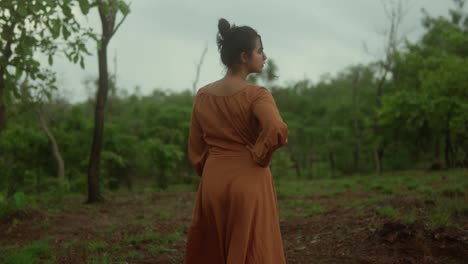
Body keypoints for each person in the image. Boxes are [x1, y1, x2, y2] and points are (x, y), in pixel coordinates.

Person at [184, 18, 288, 264]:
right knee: (252, 249)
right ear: (244, 57)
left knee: (214, 249)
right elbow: (276, 129)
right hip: (248, 181)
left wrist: (212, 167)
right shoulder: (256, 95)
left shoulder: (203, 96)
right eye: (260, 50)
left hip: (213, 181)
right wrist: (259, 155)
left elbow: (196, 147)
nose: (264, 56)